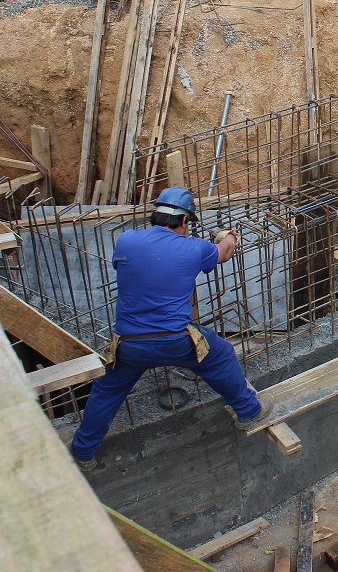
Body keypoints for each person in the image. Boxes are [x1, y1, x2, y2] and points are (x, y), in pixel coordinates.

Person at [70, 187, 262, 471]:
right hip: (176, 341)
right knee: (219, 353)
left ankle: (83, 452)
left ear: (155, 215)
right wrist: (230, 237)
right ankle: (248, 411)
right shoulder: (195, 248)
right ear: (185, 221)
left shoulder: (127, 240)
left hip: (129, 343)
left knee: (106, 391)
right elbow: (223, 253)